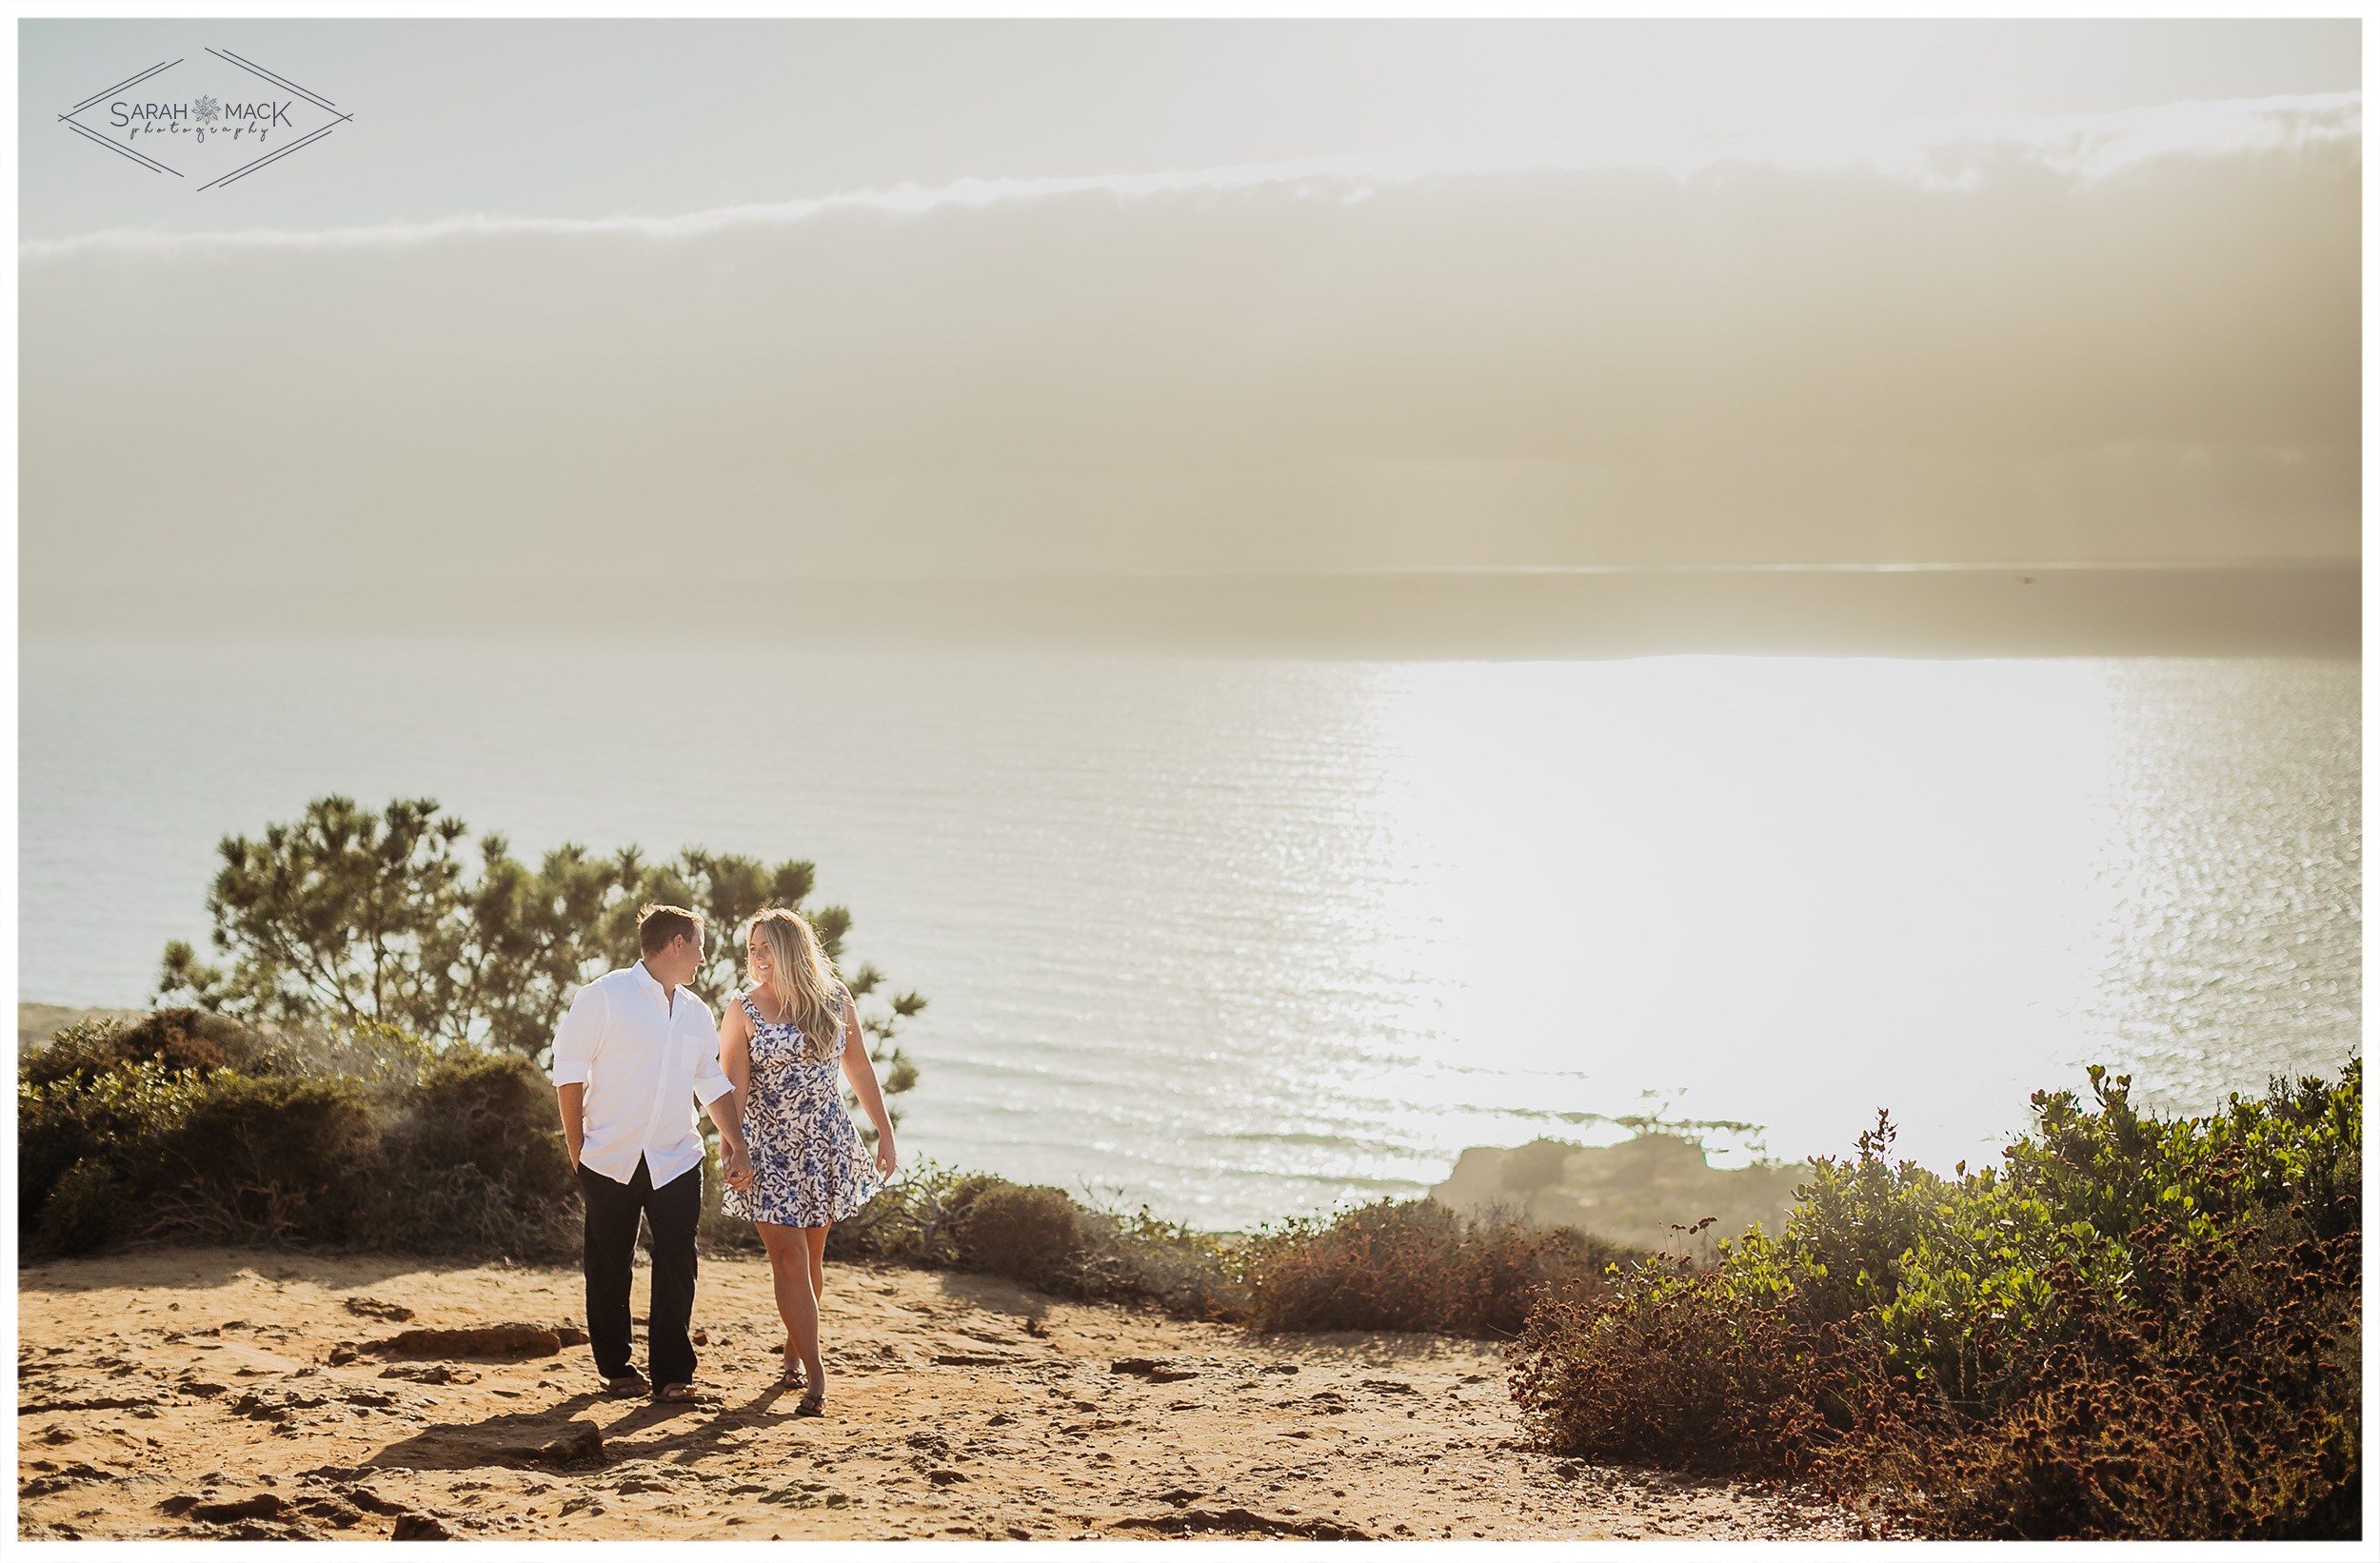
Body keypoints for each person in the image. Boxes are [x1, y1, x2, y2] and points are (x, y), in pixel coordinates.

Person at [551, 904, 753, 1403]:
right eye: (699, 947)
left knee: (678, 1262)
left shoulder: (695, 1012)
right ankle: (616, 1368)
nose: (704, 959)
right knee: (608, 1264)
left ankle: (672, 1374)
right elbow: (569, 1071)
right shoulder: (603, 997)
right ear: (676, 944)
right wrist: (578, 1147)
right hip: (609, 1156)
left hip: (677, 1157)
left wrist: (737, 1144)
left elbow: (710, 1082)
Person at [718, 907, 899, 1416]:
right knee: (790, 1260)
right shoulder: (743, 1009)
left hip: (825, 1145)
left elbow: (858, 1066)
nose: (755, 958)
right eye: (751, 949)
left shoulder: (834, 998)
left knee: (812, 1262)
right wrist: (735, 1147)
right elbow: (731, 1087)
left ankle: (795, 1352)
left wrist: (884, 1133)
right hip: (767, 1148)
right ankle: (817, 1375)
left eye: (765, 947)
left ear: (791, 950)